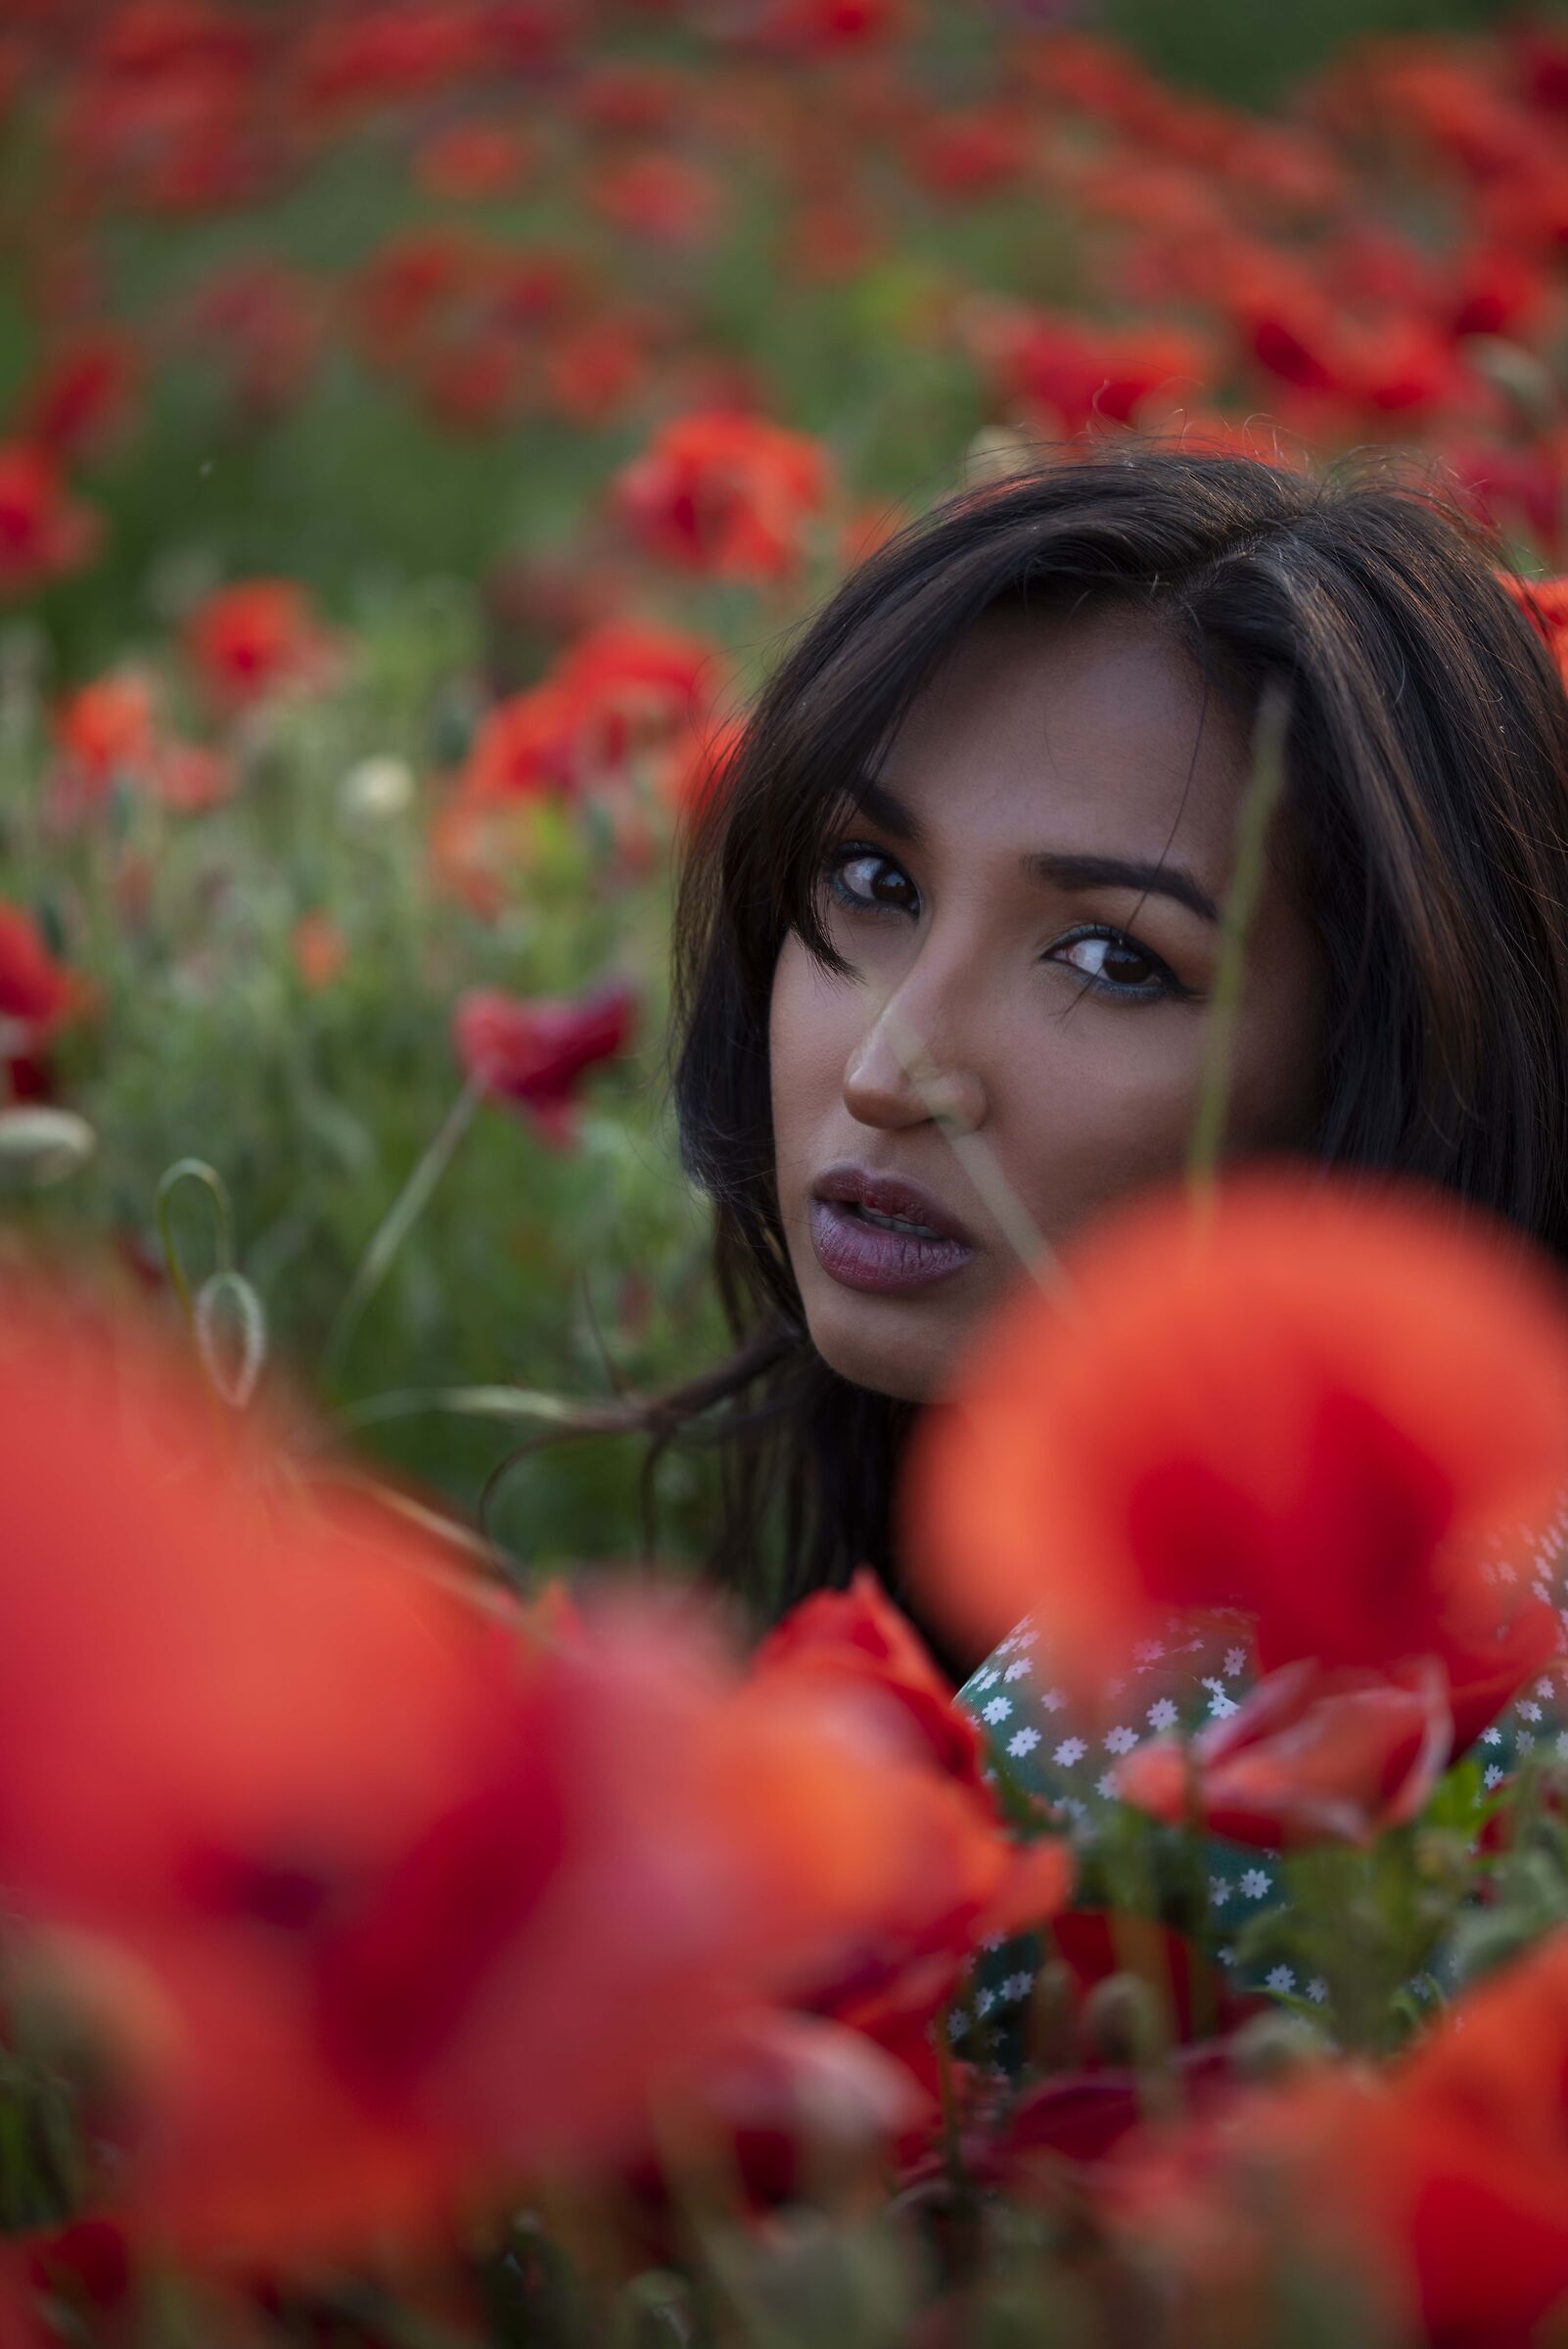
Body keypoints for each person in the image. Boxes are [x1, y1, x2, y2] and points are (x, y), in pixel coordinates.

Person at [633, 439, 1568, 2036]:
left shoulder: (1202, 1715)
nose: (886, 1068)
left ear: (1372, 1077)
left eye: (1110, 960)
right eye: (869, 880)